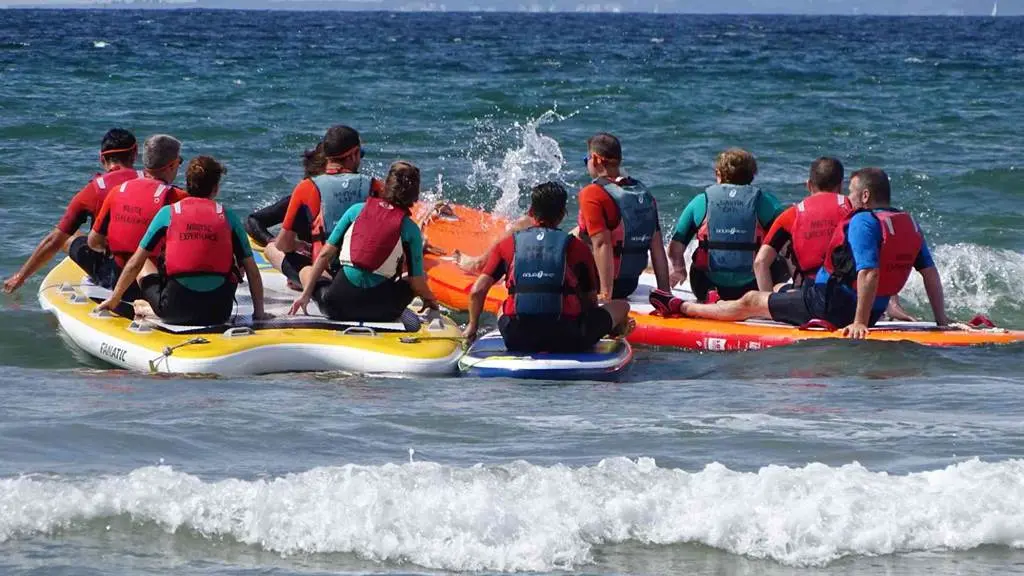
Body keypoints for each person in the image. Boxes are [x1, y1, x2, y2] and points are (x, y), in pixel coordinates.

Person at [665, 168, 949, 338]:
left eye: (851, 193)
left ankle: (685, 308)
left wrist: (858, 323)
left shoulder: (863, 220)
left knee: (751, 300)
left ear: (865, 196)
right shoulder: (906, 222)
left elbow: (869, 272)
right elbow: (930, 274)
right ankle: (775, 303)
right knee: (781, 292)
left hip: (829, 305)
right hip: (872, 310)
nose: (847, 199)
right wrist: (941, 322)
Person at [461, 181, 632, 352]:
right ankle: (615, 335)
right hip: (569, 339)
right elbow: (590, 303)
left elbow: (477, 291)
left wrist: (472, 327)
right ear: (562, 214)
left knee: (503, 307)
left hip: (517, 337)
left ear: (530, 212)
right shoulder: (577, 248)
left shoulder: (507, 245)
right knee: (622, 306)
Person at [97, 156, 266, 326]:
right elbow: (252, 272)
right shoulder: (229, 217)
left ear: (188, 185)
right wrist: (259, 314)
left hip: (173, 311)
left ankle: (149, 307)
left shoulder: (168, 213)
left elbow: (135, 263)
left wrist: (114, 299)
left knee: (145, 261)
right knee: (237, 264)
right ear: (215, 189)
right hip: (218, 312)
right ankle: (152, 307)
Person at [289, 161, 437, 322]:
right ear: (415, 194)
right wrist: (431, 301)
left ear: (386, 186)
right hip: (383, 312)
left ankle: (304, 287)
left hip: (335, 307)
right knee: (415, 278)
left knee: (314, 275)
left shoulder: (356, 210)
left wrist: (305, 296)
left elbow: (324, 255)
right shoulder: (411, 229)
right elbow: (417, 282)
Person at [3, 128, 143, 294]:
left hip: (114, 275)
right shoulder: (153, 183)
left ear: (101, 158)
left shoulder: (94, 190)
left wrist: (20, 277)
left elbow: (53, 240)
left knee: (67, 238)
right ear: (135, 154)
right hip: (150, 271)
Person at [666, 148, 785, 302]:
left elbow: (675, 247)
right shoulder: (765, 201)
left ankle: (713, 297)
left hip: (706, 286)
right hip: (754, 286)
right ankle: (776, 296)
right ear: (752, 175)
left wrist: (679, 269)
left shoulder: (702, 201)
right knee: (778, 258)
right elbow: (789, 240)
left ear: (719, 174)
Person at [274, 125, 383, 289]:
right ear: (353, 155)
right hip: (364, 276)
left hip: (326, 277)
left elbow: (283, 244)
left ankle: (304, 279)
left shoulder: (306, 186)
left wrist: (298, 246)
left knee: (271, 248)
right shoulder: (374, 186)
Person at [87, 134, 189, 290]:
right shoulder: (180, 199)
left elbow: (93, 241)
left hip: (116, 280)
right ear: (173, 165)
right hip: (152, 285)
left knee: (76, 241)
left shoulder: (117, 191)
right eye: (180, 162)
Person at [576, 132, 670, 300]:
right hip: (629, 284)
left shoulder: (592, 193)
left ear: (596, 159)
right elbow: (657, 247)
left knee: (568, 239)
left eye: (587, 159)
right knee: (577, 231)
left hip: (596, 283)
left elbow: (601, 244)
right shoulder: (641, 191)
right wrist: (665, 292)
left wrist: (605, 295)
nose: (587, 164)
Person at [754, 157, 851, 291]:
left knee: (778, 288)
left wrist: (768, 305)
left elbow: (760, 263)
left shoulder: (792, 215)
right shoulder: (852, 210)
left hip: (807, 295)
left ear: (809, 185)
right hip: (846, 293)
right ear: (840, 186)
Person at [246, 143, 324, 288]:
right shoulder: (299, 200)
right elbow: (253, 221)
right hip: (322, 266)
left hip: (320, 268)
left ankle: (302, 278)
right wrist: (271, 239)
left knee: (274, 249)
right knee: (274, 246)